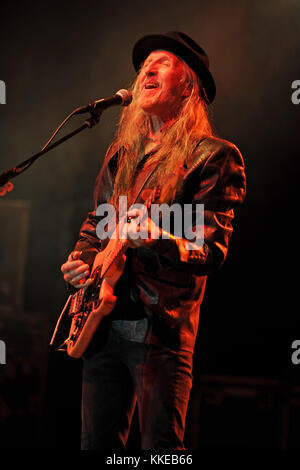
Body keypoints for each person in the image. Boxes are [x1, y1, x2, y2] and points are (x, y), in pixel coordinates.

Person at [60, 31, 246, 450]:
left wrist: (157, 238)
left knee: (162, 452)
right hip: (102, 320)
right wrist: (83, 258)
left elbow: (211, 248)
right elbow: (99, 221)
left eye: (162, 62)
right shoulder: (122, 154)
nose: (148, 68)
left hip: (160, 330)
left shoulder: (213, 156)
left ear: (189, 83)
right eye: (145, 65)